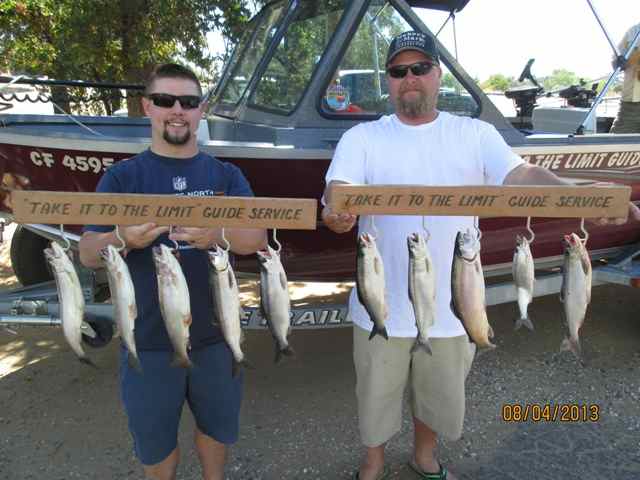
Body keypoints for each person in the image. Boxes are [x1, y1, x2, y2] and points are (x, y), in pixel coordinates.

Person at [321, 31, 640, 480]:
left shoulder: (475, 133)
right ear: (388, 81)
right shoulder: (362, 138)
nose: (409, 79)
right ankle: (372, 462)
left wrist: (586, 196)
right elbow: (341, 188)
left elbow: (522, 174)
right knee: (375, 393)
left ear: (437, 74)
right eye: (398, 72)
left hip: (456, 304)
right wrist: (338, 209)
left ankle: (424, 457)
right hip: (383, 306)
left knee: (438, 393)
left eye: (419, 69)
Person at [78, 63, 267, 480]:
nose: (177, 110)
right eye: (165, 100)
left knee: (215, 431)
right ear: (148, 107)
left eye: (189, 101)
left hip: (217, 339)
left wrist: (216, 234)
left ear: (201, 111)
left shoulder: (226, 175)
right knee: (156, 446)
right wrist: (122, 238)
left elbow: (256, 239)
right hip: (145, 343)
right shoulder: (121, 178)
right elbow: (88, 254)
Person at [611, 22, 640, 133]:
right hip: (630, 106)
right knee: (615, 146)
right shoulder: (633, 31)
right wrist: (618, 62)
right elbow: (615, 63)